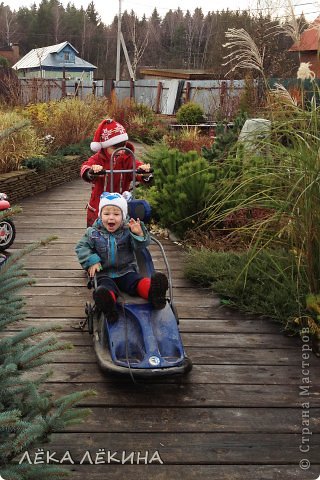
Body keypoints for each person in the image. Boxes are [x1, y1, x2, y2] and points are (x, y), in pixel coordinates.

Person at [75, 192, 168, 322]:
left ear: (123, 216)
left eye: (116, 214)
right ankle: (108, 306)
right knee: (106, 289)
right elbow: (81, 247)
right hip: (104, 273)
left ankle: (154, 292)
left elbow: (140, 245)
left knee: (136, 282)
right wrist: (92, 261)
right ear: (100, 215)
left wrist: (139, 234)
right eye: (106, 214)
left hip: (126, 271)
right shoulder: (93, 233)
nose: (111, 218)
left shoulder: (127, 230)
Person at [81, 118, 152, 226]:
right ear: (105, 146)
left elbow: (135, 167)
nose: (121, 151)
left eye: (123, 146)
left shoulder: (127, 158)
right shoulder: (98, 158)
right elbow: (86, 166)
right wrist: (91, 172)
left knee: (121, 234)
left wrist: (143, 172)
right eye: (115, 147)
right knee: (95, 235)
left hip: (120, 206)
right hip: (99, 207)